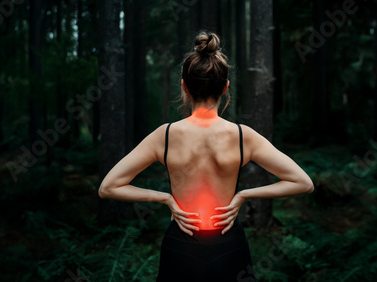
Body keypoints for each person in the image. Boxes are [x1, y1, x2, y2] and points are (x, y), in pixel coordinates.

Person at [98, 31, 314, 282]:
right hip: (230, 246)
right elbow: (303, 182)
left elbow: (108, 187)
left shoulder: (165, 135)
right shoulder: (243, 136)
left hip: (181, 247)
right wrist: (243, 195)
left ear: (184, 86)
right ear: (225, 87)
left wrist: (166, 199)